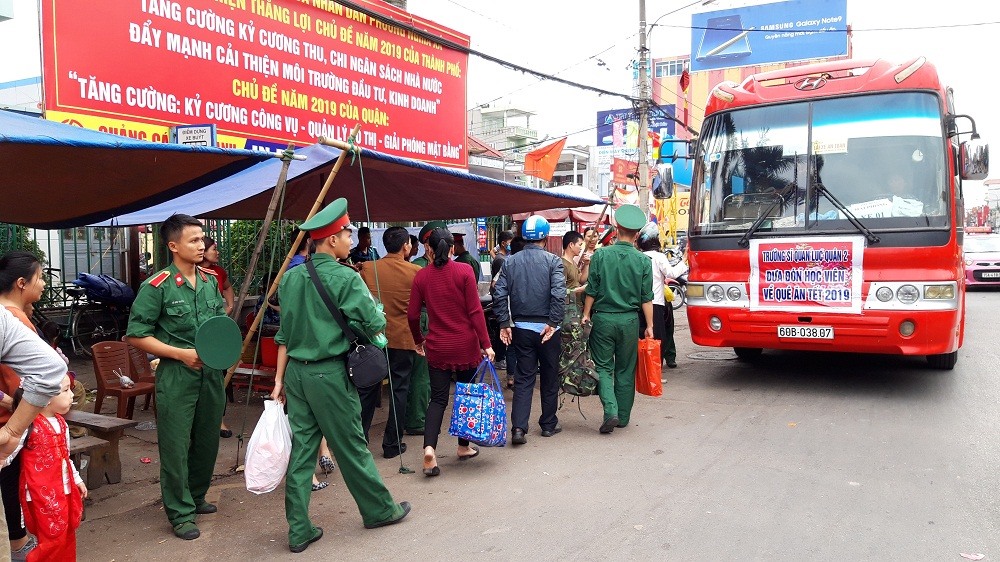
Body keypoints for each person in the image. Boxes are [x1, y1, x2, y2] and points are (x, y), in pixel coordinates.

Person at [270, 198, 410, 554]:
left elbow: (283, 334)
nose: (351, 237)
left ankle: (299, 530)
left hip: (297, 376)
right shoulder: (344, 276)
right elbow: (375, 322)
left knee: (302, 452)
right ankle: (380, 510)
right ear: (331, 239)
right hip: (329, 374)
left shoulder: (290, 278)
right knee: (351, 446)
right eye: (347, 232)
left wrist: (279, 380)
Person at [125, 214, 228, 541]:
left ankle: (197, 497)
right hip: (176, 375)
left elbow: (218, 325)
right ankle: (180, 513)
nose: (201, 245)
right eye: (193, 240)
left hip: (211, 374)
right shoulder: (157, 286)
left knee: (207, 440)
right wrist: (180, 353)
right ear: (173, 245)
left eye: (202, 239)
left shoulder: (210, 280)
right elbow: (136, 335)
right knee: (175, 445)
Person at [407, 228, 494, 477]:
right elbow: (475, 311)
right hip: (465, 345)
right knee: (465, 396)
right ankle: (463, 447)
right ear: (452, 248)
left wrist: (418, 340)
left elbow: (412, 314)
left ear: (430, 249)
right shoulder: (465, 271)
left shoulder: (422, 277)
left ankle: (430, 450)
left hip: (438, 346)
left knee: (438, 399)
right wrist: (486, 344)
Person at [0, 263, 65, 557]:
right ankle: (18, 542)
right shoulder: (8, 318)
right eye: (40, 278)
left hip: (15, 417)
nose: (43, 285)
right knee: (12, 485)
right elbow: (43, 371)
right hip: (11, 418)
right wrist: (14, 421)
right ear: (22, 282)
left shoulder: (15, 318)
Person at [581, 205, 654, 434]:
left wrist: (585, 315)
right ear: (637, 234)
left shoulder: (601, 255)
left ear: (616, 228)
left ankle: (610, 409)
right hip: (630, 321)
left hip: (602, 320)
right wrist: (650, 326)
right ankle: (622, 417)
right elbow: (646, 298)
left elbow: (591, 289)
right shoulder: (643, 261)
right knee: (625, 369)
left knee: (603, 367)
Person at [493, 216, 565, 445]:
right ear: (545, 236)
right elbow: (558, 295)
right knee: (549, 376)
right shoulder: (553, 261)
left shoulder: (510, 262)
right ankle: (548, 424)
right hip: (548, 329)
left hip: (522, 328)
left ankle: (518, 429)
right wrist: (553, 323)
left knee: (524, 379)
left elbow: (498, 293)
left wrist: (505, 323)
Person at [358, 227, 420, 459]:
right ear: (406, 246)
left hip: (374, 338)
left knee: (367, 390)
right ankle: (392, 444)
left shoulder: (367, 268)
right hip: (403, 339)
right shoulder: (415, 271)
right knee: (399, 390)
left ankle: (360, 443)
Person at [10, 375, 86, 561]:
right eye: (65, 390)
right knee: (52, 538)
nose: (71, 396)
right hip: (40, 495)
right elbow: (8, 453)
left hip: (64, 490)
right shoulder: (28, 425)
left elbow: (65, 457)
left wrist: (77, 479)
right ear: (45, 396)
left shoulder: (61, 423)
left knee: (67, 534)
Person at [403, 221, 446, 436]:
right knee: (422, 374)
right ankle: (416, 419)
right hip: (425, 321)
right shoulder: (421, 267)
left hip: (424, 320)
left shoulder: (422, 265)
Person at [637, 225, 686, 369]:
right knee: (657, 337)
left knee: (641, 336)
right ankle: (654, 372)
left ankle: (643, 369)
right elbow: (671, 273)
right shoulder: (658, 257)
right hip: (655, 303)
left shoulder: (638, 256)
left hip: (639, 303)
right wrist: (684, 261)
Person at [200, 237, 234, 315]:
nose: (218, 252)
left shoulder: (218, 271)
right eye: (214, 249)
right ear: (203, 252)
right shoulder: (191, 271)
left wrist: (230, 307)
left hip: (216, 319)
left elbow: (227, 287)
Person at [561, 231, 590, 304]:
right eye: (580, 245)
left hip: (576, 305)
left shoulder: (573, 262)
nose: (581, 248)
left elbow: (581, 280)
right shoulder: (562, 265)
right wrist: (579, 289)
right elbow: (560, 291)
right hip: (568, 307)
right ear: (571, 244)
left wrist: (586, 265)